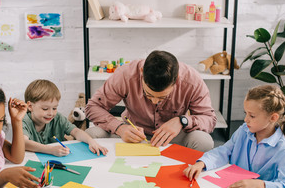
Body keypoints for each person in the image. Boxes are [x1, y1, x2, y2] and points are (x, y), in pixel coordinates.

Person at [183, 84, 285, 188]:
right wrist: (202, 163)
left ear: (273, 118)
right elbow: (224, 150)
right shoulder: (244, 130)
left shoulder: (282, 150)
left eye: (252, 116)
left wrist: (258, 185)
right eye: (245, 113)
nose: (245, 119)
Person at [85, 50, 216, 151]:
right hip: (132, 133)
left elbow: (210, 120)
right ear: (142, 73)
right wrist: (119, 127)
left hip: (173, 136)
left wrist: (182, 121)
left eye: (161, 97)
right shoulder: (126, 74)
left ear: (176, 81)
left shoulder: (191, 80)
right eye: (148, 95)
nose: (154, 101)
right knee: (91, 134)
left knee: (204, 141)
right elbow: (92, 107)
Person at [22, 79, 108, 156]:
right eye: (45, 109)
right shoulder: (24, 121)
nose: (51, 113)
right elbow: (24, 143)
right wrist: (51, 150)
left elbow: (76, 131)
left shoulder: (57, 118)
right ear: (30, 106)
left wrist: (91, 141)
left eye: (54, 108)